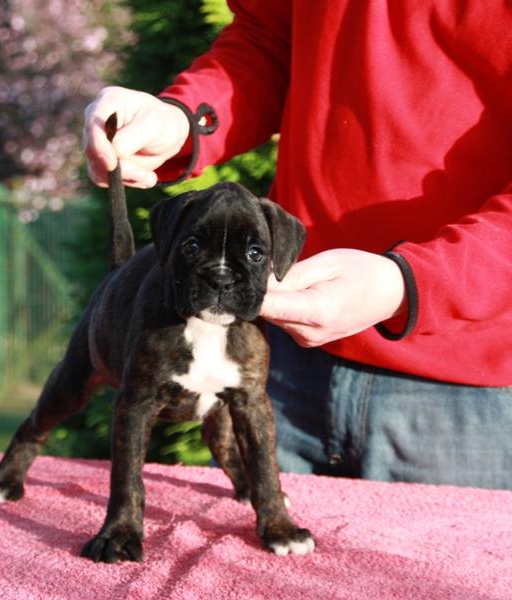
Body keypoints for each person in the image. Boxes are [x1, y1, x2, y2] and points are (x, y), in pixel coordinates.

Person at [83, 1, 512, 489]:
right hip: (276, 357)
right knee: (230, 557)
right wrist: (186, 118)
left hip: (466, 394)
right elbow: (270, 39)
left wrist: (409, 283)